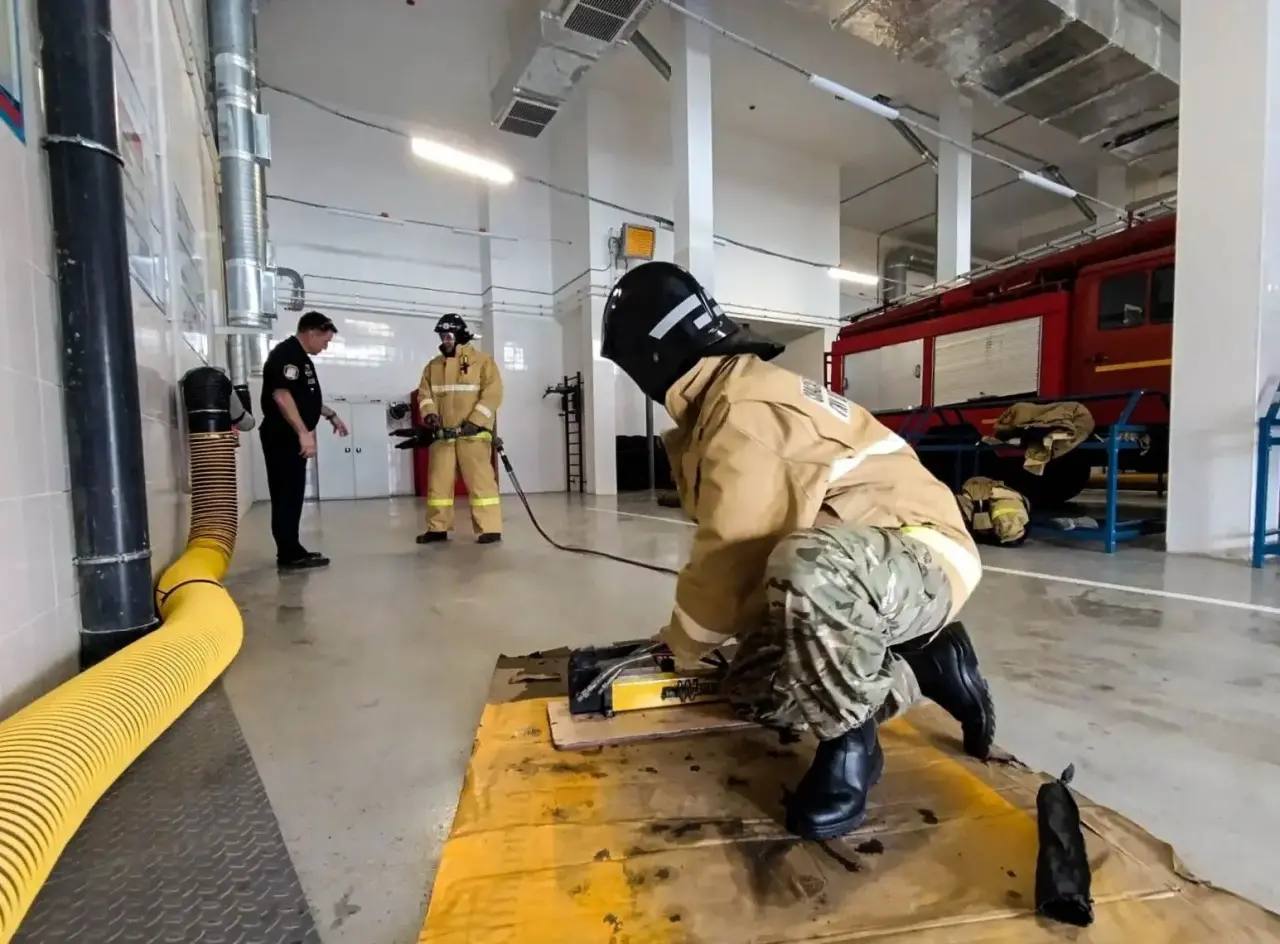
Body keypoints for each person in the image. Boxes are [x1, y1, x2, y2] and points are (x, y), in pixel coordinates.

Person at [600, 262, 994, 841]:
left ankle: (850, 744)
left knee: (810, 570)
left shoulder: (744, 410)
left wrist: (678, 647)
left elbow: (735, 551)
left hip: (921, 551)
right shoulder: (723, 399)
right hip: (866, 560)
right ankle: (925, 665)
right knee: (754, 690)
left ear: (649, 358)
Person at [260, 311, 348, 570]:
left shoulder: (300, 357)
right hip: (283, 436)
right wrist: (302, 432)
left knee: (293, 493)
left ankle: (293, 547)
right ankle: (287, 554)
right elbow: (282, 395)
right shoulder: (287, 355)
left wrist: (330, 415)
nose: (326, 345)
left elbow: (303, 397)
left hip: (290, 436)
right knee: (286, 494)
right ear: (312, 332)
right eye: (325, 340)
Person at [416, 314, 504, 544]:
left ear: (460, 336)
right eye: (442, 336)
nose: (445, 340)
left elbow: (493, 394)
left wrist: (476, 420)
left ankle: (490, 528)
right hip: (442, 436)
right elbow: (425, 395)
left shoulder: (483, 361)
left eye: (448, 336)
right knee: (438, 484)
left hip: (472, 436)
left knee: (480, 481)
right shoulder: (433, 366)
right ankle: (437, 528)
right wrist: (430, 413)